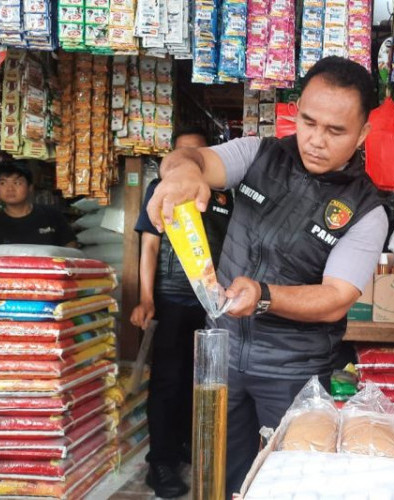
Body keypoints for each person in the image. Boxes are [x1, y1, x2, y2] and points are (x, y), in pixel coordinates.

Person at [146, 57, 388, 497]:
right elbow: (193, 157)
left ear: (363, 134)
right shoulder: (258, 154)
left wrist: (263, 296)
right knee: (219, 477)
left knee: (290, 483)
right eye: (308, 122)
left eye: (336, 131)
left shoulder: (366, 209)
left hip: (294, 370)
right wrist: (182, 174)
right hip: (223, 354)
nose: (316, 141)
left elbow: (336, 297)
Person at [130, 126, 233, 498]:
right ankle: (161, 462)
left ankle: (188, 445)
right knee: (168, 381)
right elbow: (150, 247)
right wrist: (146, 298)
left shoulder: (223, 192)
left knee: (205, 380)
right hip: (173, 297)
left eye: (196, 153)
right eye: (179, 153)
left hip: (214, 302)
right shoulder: (159, 191)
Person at [0, 163, 77, 247]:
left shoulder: (52, 214)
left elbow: (70, 244)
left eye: (17, 183)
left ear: (30, 188)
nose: (10, 189)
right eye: (2, 183)